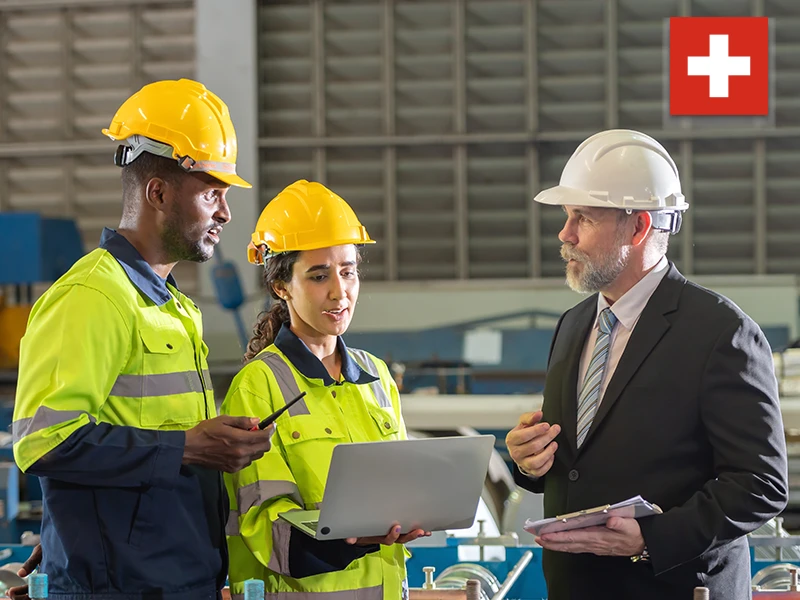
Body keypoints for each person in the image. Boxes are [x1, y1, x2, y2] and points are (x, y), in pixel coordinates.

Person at [11, 78, 274, 600]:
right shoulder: (93, 296)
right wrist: (189, 446)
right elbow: (42, 441)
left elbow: (129, 444)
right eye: (211, 192)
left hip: (175, 573)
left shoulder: (172, 306)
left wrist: (77, 525)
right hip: (125, 586)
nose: (224, 212)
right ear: (158, 192)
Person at [506, 129, 788, 600]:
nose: (565, 234)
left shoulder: (720, 332)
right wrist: (528, 463)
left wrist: (650, 539)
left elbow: (761, 483)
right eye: (567, 216)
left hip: (673, 589)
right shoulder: (574, 325)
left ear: (637, 228)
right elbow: (576, 462)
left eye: (583, 218)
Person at [221, 179, 429, 600]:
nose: (340, 292)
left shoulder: (376, 376)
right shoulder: (258, 387)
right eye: (319, 276)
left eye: (348, 271)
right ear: (281, 286)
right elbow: (265, 528)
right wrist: (355, 539)